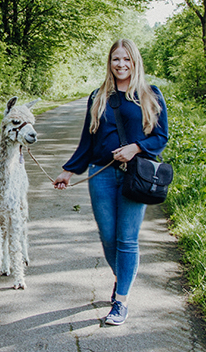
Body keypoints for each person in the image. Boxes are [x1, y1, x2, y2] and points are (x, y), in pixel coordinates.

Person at [53, 39, 168, 325]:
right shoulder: (98, 96)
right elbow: (87, 140)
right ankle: (124, 278)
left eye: (126, 59)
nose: (121, 65)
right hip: (101, 174)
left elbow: (160, 136)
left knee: (126, 239)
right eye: (116, 59)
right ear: (110, 62)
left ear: (135, 61)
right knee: (108, 238)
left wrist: (136, 148)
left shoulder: (149, 94)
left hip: (135, 174)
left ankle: (121, 300)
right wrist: (68, 171)